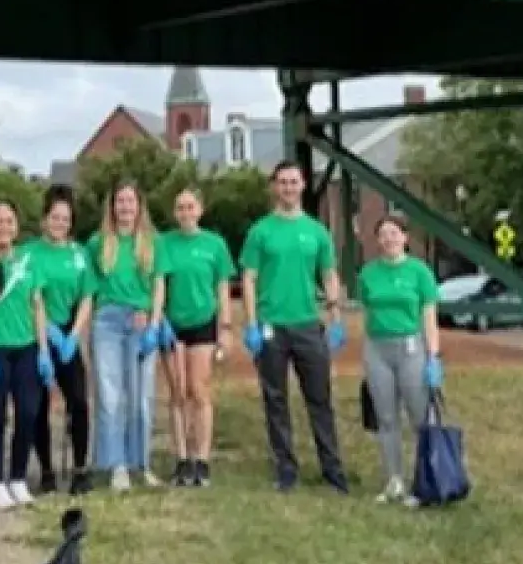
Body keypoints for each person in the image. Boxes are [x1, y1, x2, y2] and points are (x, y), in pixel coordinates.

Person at [240, 160, 348, 493]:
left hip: (307, 325)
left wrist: (335, 316)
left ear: (303, 185)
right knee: (276, 400)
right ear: (275, 187)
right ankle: (286, 468)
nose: (288, 188)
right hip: (272, 326)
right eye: (282, 182)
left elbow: (329, 274)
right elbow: (249, 278)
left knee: (319, 399)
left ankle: (332, 469)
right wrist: (251, 322)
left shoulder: (316, 232)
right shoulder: (261, 232)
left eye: (294, 182)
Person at [0, 198, 56, 511]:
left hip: (28, 348)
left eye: (9, 221)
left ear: (17, 227)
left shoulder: (29, 262)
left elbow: (38, 305)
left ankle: (18, 476)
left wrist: (44, 349)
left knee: (29, 413)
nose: (4, 227)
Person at [356, 215, 444, 506]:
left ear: (405, 237)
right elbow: (366, 311)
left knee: (420, 417)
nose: (389, 239)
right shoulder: (368, 274)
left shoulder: (420, 273)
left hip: (410, 346)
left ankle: (425, 481)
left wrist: (433, 356)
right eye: (383, 234)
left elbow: (428, 317)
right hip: (377, 347)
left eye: (394, 233)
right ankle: (393, 478)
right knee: (386, 417)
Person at [150, 187, 233, 487]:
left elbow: (222, 288)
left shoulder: (214, 245)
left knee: (199, 390)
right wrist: (157, 321)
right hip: (173, 324)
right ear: (175, 212)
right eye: (180, 207)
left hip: (203, 322)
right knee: (177, 390)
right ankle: (182, 458)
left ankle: (203, 459)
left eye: (190, 207)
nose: (185, 212)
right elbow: (159, 282)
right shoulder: (164, 244)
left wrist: (225, 327)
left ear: (200, 210)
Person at [89, 180, 162, 491]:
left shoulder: (152, 242)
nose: (126, 207)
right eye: (120, 201)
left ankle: (140, 463)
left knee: (141, 396)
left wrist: (155, 324)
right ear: (112, 206)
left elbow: (159, 285)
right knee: (109, 395)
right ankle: (115, 464)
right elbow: (89, 290)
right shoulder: (98, 243)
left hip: (141, 321)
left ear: (139, 206)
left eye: (131, 201)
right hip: (107, 322)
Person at [29, 186, 95, 495]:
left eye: (65, 218)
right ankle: (46, 470)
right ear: (44, 219)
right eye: (54, 217)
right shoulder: (30, 253)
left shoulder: (80, 254)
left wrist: (72, 335)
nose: (60, 223)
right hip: (39, 333)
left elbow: (87, 297)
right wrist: (47, 337)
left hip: (68, 332)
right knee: (39, 405)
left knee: (79, 401)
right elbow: (33, 297)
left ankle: (81, 469)